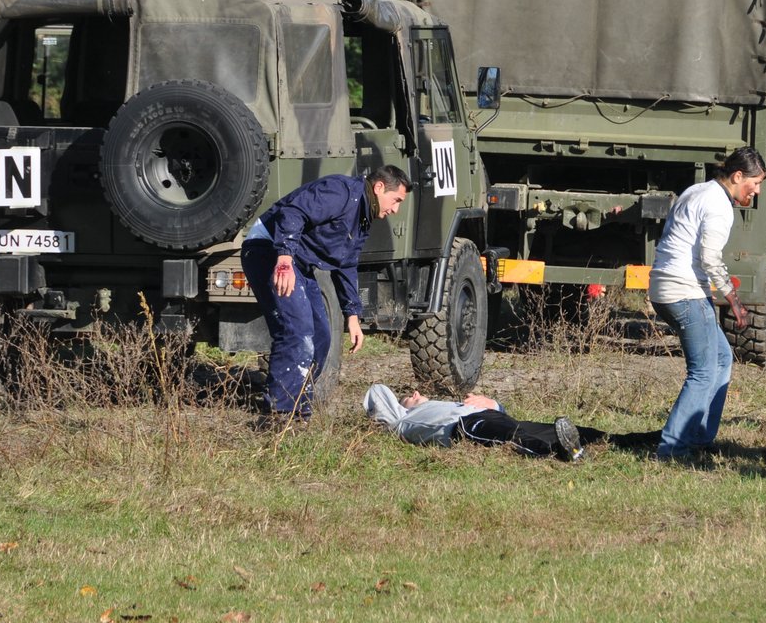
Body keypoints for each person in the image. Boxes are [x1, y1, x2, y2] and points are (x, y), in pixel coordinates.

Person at [242, 165, 410, 419]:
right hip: (269, 250)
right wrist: (284, 258)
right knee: (297, 331)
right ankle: (280, 415)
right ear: (378, 188)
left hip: (298, 263)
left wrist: (352, 315)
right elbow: (293, 211)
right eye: (396, 200)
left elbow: (347, 262)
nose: (395, 209)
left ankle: (298, 405)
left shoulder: (363, 214)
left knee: (321, 336)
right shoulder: (340, 192)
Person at [647, 147, 766, 460]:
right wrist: (734, 301)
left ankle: (700, 437)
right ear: (737, 176)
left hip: (663, 287)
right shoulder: (718, 205)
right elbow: (710, 258)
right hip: (684, 291)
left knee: (722, 359)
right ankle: (672, 448)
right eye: (754, 183)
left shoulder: (698, 191)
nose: (757, 191)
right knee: (702, 372)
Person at [363, 384, 601, 461]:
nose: (414, 394)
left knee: (549, 429)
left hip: (493, 415)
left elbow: (499, 411)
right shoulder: (402, 421)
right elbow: (376, 391)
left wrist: (493, 404)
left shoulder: (442, 403)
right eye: (408, 399)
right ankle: (560, 453)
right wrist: (401, 407)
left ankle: (624, 441)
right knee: (513, 438)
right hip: (464, 426)